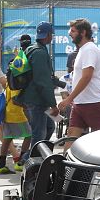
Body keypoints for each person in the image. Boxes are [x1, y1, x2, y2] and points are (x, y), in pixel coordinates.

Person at [57, 18, 100, 144]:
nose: (69, 33)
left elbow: (86, 77)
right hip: (80, 103)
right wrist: (73, 99)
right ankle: (66, 157)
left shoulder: (89, 50)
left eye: (73, 31)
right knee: (71, 134)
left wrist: (69, 99)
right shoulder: (83, 49)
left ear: (83, 32)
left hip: (94, 103)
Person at [19, 22, 63, 153]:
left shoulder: (32, 48)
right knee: (39, 134)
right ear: (48, 35)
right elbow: (42, 82)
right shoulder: (40, 53)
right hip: (36, 100)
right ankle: (30, 159)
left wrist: (62, 84)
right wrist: (53, 105)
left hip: (32, 97)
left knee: (49, 128)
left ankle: (38, 155)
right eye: (51, 35)